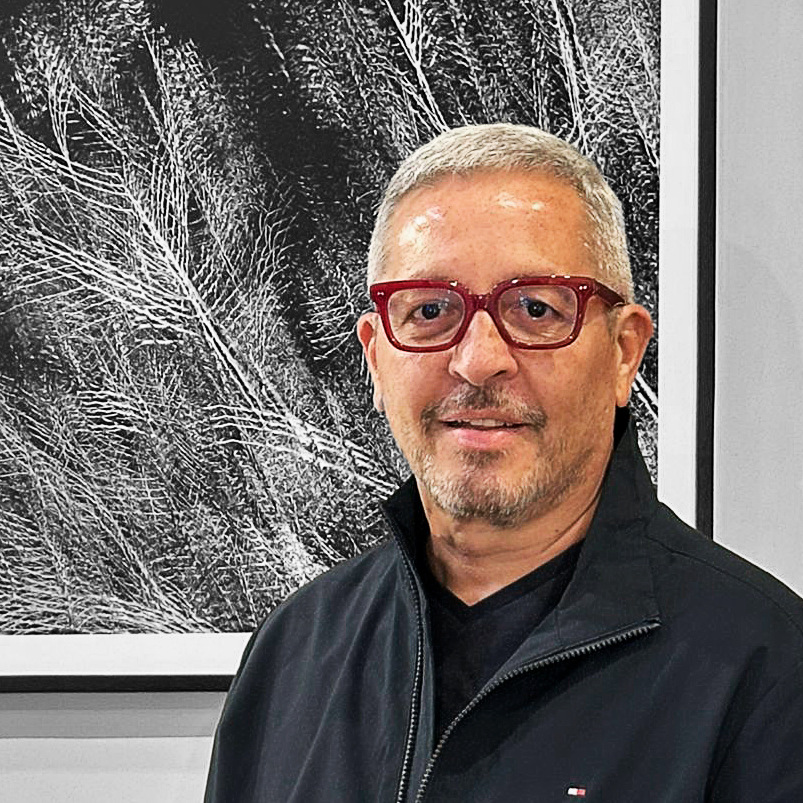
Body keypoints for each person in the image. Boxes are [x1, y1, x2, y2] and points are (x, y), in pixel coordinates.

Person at [205, 124, 803, 802]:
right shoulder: (293, 655)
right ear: (375, 356)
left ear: (624, 353)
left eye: (535, 308)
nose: (478, 359)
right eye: (430, 309)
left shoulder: (762, 674)